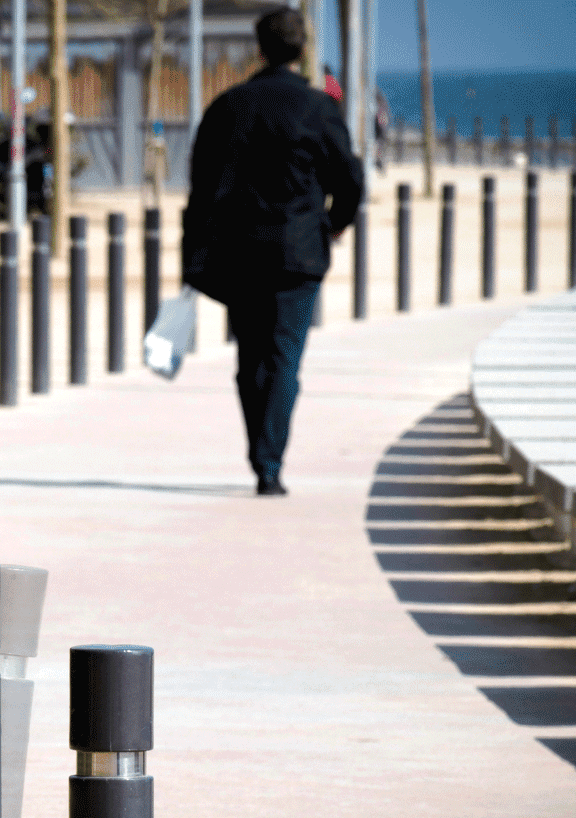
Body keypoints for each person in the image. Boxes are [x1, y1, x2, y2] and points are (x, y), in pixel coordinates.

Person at [183, 7, 363, 496]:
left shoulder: (228, 106)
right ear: (302, 49)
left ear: (259, 49)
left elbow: (201, 186)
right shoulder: (319, 108)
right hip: (299, 253)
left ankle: (260, 455)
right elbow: (350, 179)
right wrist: (334, 224)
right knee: (284, 358)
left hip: (240, 252)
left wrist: (195, 255)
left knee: (251, 359)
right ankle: (269, 464)